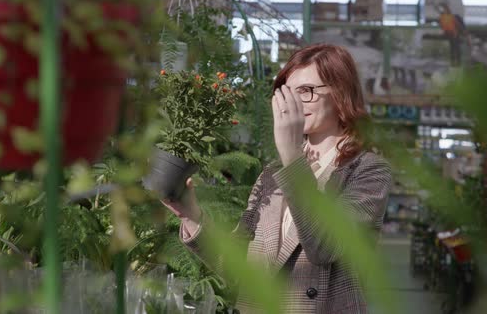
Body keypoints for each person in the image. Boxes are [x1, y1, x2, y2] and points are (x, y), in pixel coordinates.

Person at [161, 44, 392, 313]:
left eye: (306, 91)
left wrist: (292, 155)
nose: (292, 104)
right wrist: (191, 216)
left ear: (341, 92)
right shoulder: (273, 173)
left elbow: (324, 247)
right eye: (287, 94)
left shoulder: (367, 171)